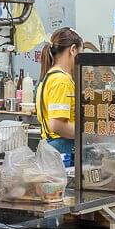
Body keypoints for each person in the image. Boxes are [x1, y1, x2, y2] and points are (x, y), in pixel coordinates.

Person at [36, 27, 82, 160]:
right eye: (81, 53)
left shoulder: (50, 76)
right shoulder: (61, 81)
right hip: (62, 153)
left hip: (51, 149)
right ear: (73, 50)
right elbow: (57, 125)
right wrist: (88, 134)